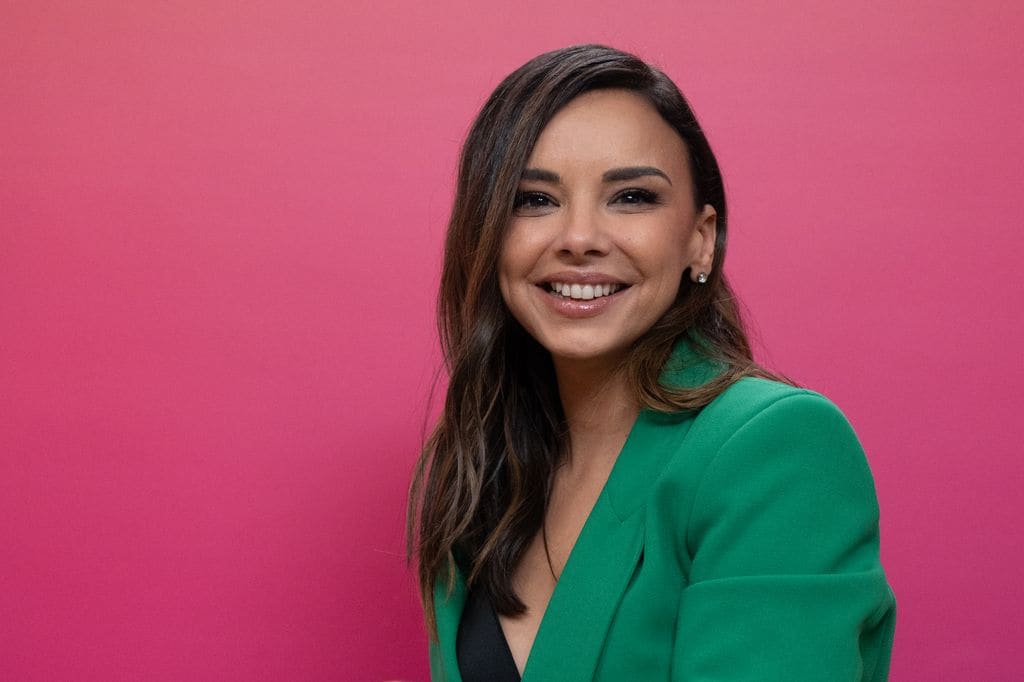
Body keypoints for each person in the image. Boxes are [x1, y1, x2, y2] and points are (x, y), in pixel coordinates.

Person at [407, 44, 896, 681]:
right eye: (534, 200)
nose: (579, 238)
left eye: (632, 196)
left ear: (701, 239)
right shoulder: (482, 465)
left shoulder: (778, 448)